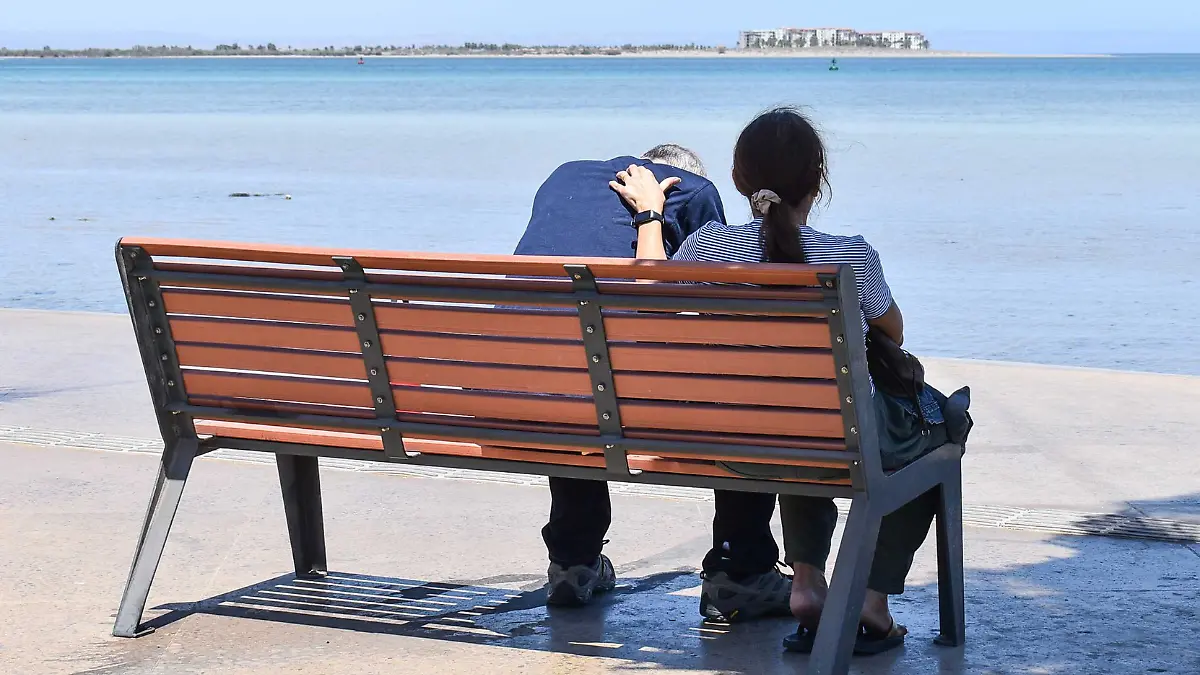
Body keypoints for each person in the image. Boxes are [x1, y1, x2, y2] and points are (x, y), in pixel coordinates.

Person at [611, 108, 955, 655]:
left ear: (738, 180)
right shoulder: (850, 255)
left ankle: (808, 583)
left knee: (801, 426)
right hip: (832, 436)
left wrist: (651, 216)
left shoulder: (705, 248)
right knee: (938, 433)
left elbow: (649, 296)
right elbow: (893, 331)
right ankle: (871, 597)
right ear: (818, 181)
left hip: (736, 445)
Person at [515, 144, 793, 620]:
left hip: (521, 392)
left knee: (571, 370)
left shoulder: (564, 177)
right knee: (746, 393)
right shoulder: (694, 192)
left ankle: (572, 562)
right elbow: (723, 309)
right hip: (618, 399)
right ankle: (741, 572)